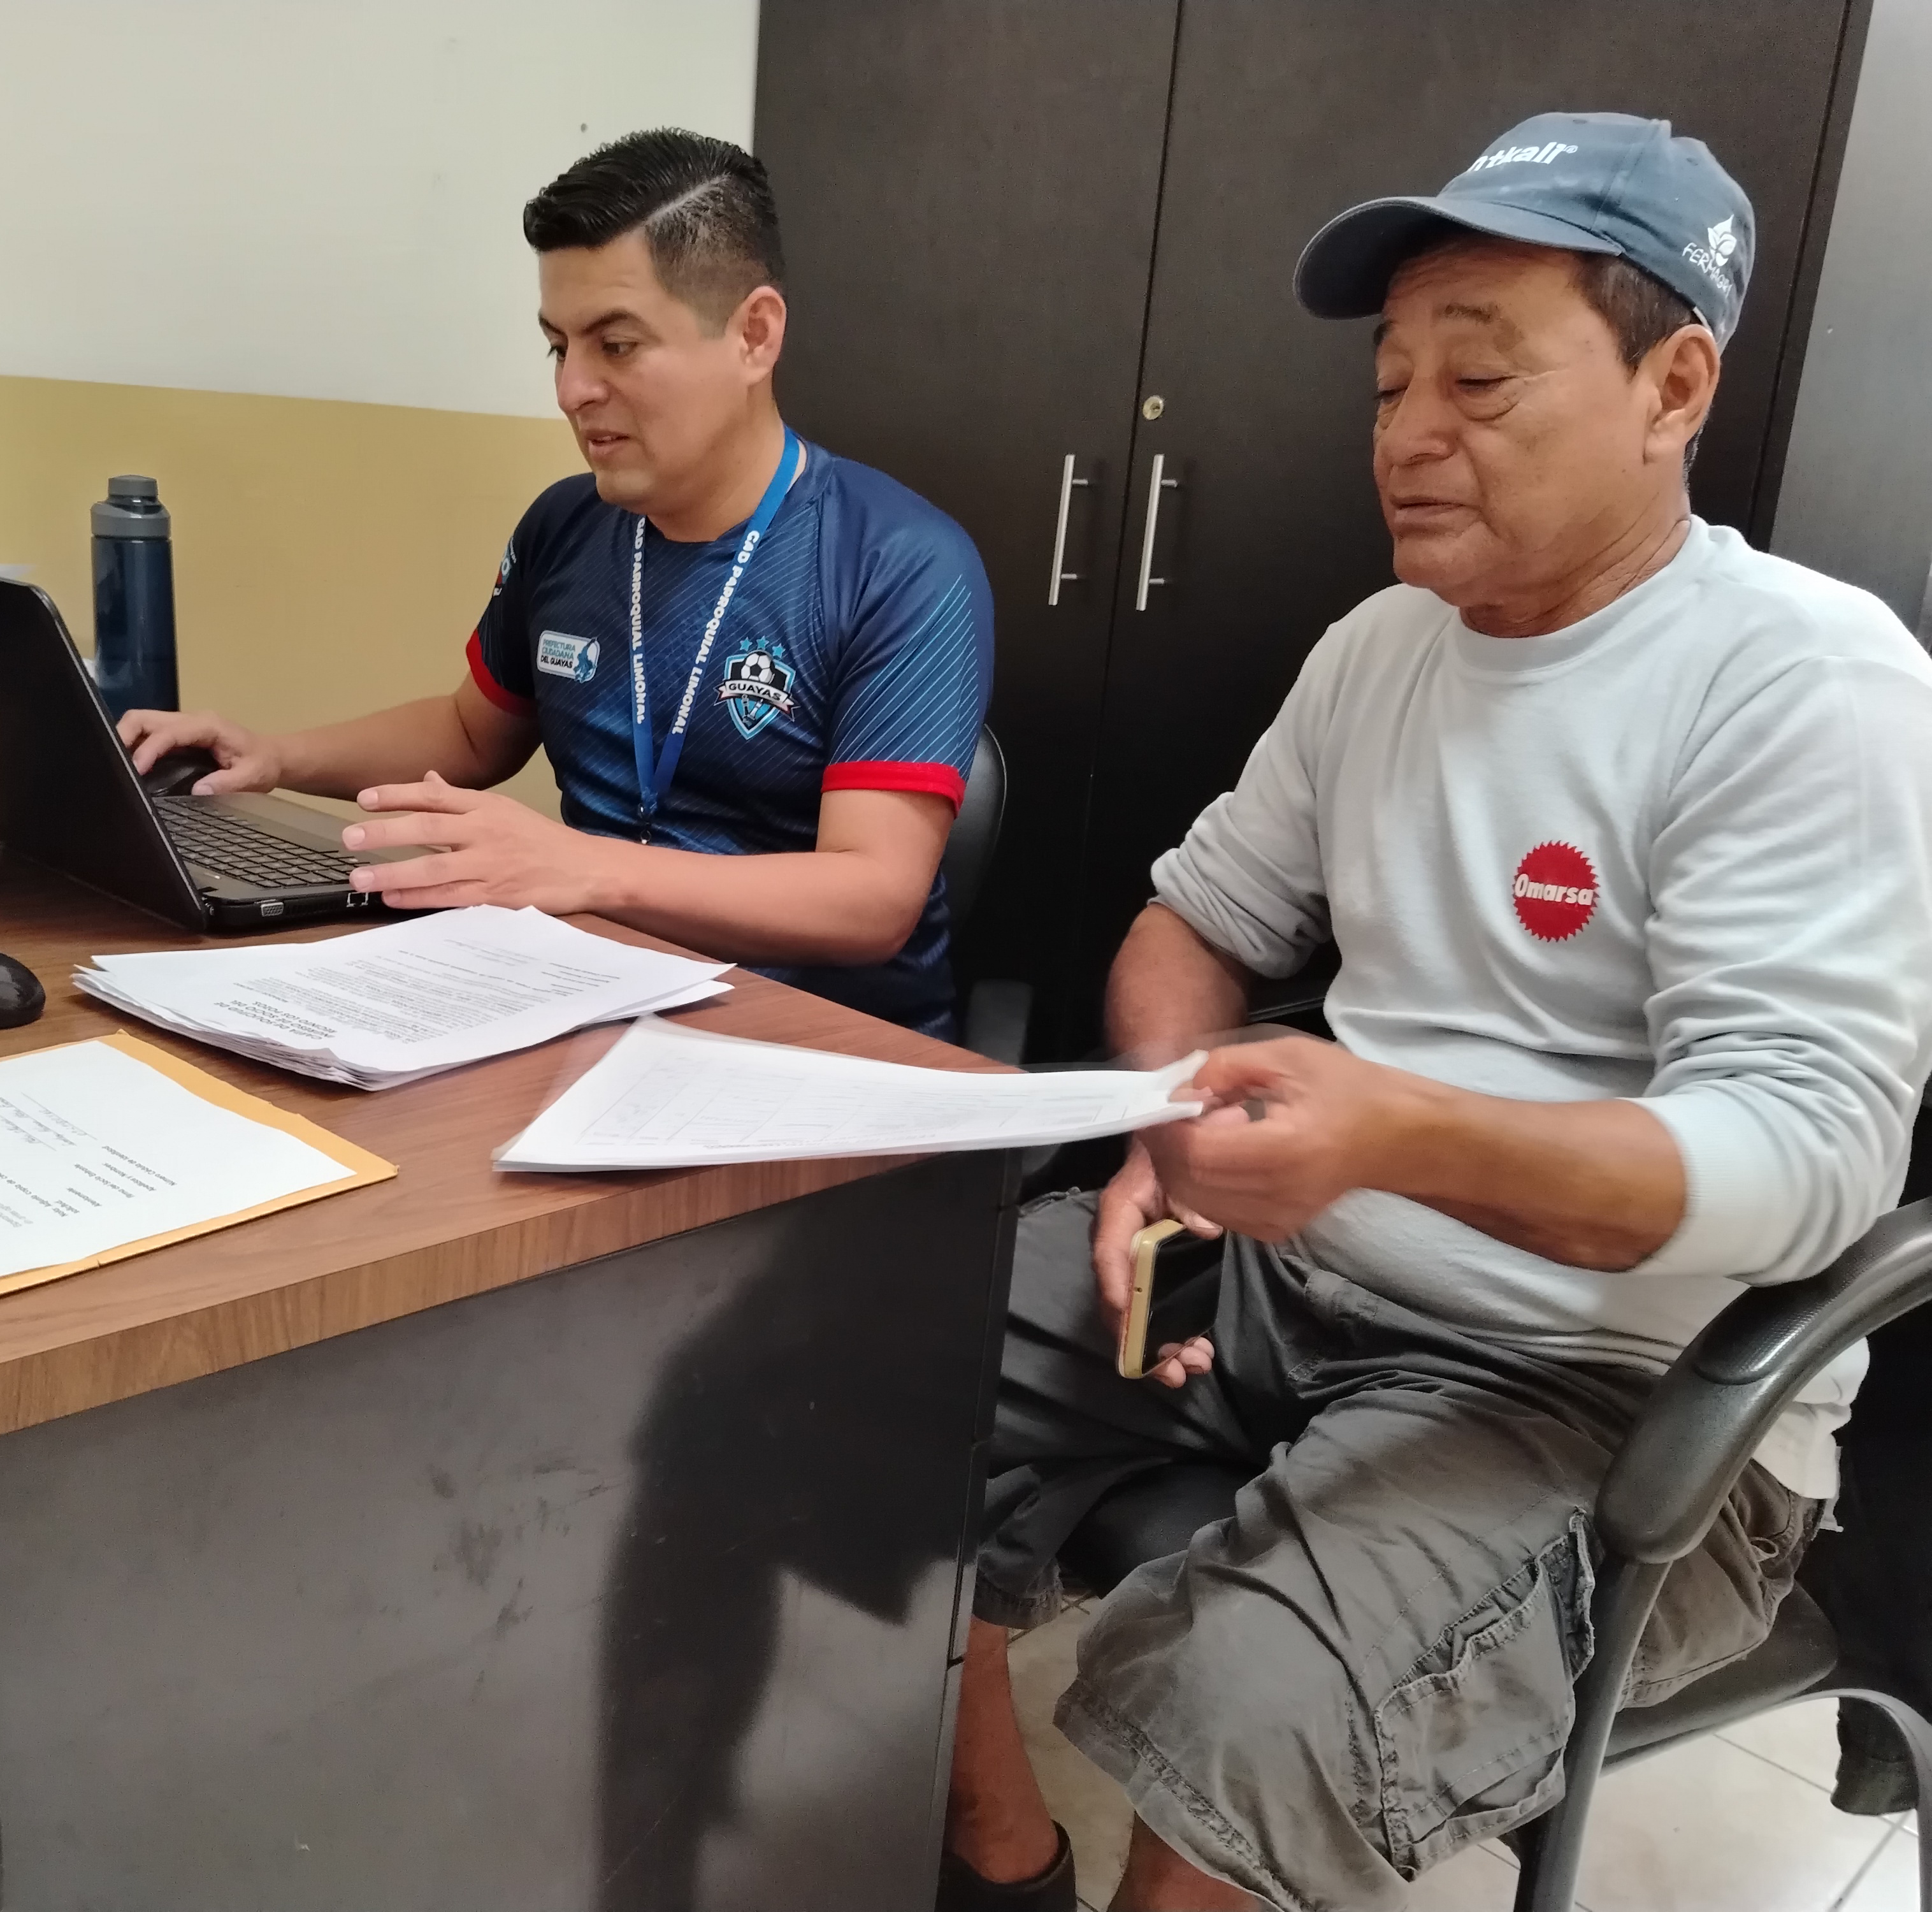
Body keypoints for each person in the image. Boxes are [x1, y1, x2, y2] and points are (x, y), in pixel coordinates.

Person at [939, 113, 1932, 1912]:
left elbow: (1805, 1167)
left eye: (1477, 378)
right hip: (1285, 1288)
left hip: (1607, 1391)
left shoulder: (1804, 679)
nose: (1406, 432)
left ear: (1673, 386)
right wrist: (1177, 1111)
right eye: (1390, 384)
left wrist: (1386, 1134)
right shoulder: (1379, 648)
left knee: (1238, 1713)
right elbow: (1191, 921)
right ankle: (997, 1860)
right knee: (846, 1379)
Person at [119, 129, 993, 1037]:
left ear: (753, 335)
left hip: (819, 1051)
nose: (573, 389)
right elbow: (471, 732)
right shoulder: (566, 526)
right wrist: (272, 757)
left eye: (617, 345)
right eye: (557, 348)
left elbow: (873, 898)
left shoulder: (899, 562)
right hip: (585, 1010)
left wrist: (581, 868)